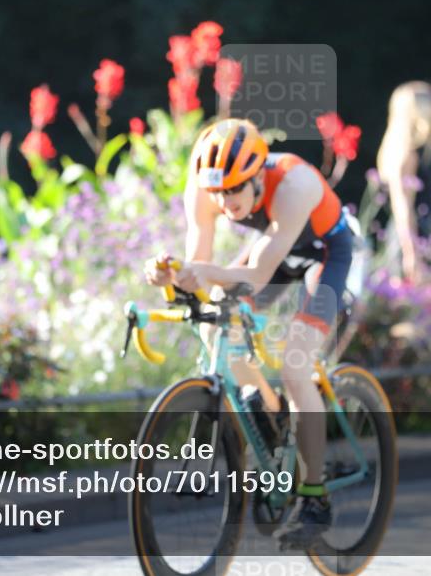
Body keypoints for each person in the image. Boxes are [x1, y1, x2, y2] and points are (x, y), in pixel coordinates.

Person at [144, 118, 356, 549]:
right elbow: (198, 267)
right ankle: (269, 415)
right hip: (276, 252)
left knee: (297, 367)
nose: (225, 203)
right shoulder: (205, 188)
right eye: (218, 193)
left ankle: (315, 498)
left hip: (325, 254)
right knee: (215, 324)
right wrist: (170, 273)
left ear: (258, 174)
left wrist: (202, 274)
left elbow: (257, 275)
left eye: (236, 190)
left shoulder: (295, 184)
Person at [376, 81, 431, 280]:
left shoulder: (401, 151)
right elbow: (403, 205)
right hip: (415, 239)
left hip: (412, 237)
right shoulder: (407, 154)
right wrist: (412, 253)